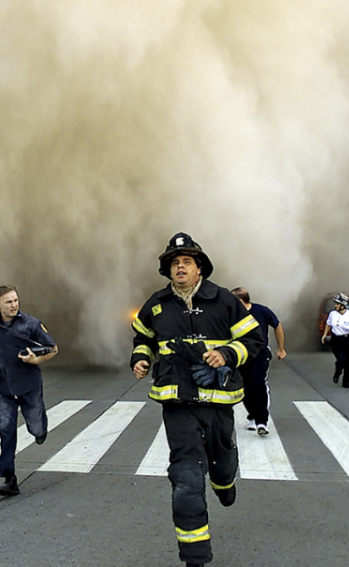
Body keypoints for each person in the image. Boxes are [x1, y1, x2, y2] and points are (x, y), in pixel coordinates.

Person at [131, 233, 262, 567]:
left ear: (199, 267)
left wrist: (227, 354)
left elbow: (254, 340)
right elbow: (143, 336)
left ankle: (225, 481)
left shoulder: (223, 301)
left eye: (186, 261)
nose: (180, 267)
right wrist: (140, 358)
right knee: (186, 477)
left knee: (223, 459)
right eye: (174, 262)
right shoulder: (157, 304)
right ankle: (195, 558)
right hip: (177, 402)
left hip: (218, 401)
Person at [0, 285, 58, 497]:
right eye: (8, 302)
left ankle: (40, 429)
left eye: (15, 300)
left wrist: (36, 359)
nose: (14, 305)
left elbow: (53, 348)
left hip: (29, 386)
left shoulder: (30, 324)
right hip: (4, 389)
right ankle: (9, 477)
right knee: (6, 429)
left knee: (36, 427)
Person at [231, 287, 286, 436]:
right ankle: (253, 416)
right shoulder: (232, 314)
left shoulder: (261, 311)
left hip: (260, 353)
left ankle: (262, 421)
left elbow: (277, 326)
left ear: (241, 301)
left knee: (258, 383)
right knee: (244, 388)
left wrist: (281, 348)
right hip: (241, 354)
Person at [321, 292, 349, 388]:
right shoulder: (332, 314)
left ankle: (346, 382)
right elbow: (328, 324)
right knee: (342, 360)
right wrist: (324, 335)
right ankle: (338, 372)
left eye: (337, 304)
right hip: (337, 340)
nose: (335, 306)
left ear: (343, 305)